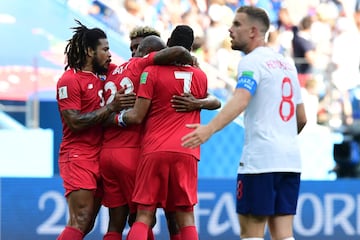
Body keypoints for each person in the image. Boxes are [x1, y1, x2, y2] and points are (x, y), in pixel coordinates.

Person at [181, 6, 307, 240]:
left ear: (253, 31)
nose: (230, 29)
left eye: (237, 24)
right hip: (290, 161)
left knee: (251, 234)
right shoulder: (287, 65)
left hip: (260, 161)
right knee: (284, 235)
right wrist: (281, 137)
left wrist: (209, 128)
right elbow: (302, 118)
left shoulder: (251, 62)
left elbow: (241, 97)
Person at [117, 25, 208, 240]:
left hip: (155, 148)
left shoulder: (150, 72)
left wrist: (114, 117)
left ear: (167, 44)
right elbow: (212, 101)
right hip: (187, 149)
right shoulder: (200, 76)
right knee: (185, 216)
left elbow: (138, 115)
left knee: (144, 215)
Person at [100, 35, 194, 240]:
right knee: (143, 218)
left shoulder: (113, 70)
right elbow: (137, 116)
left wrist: (110, 118)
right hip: (133, 152)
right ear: (153, 54)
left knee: (115, 223)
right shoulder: (146, 68)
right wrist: (190, 58)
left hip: (106, 154)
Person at [56, 20, 136, 240]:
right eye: (106, 49)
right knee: (80, 218)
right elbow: (74, 122)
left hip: (103, 155)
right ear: (90, 51)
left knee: (89, 222)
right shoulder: (69, 80)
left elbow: (135, 67)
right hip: (78, 154)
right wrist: (112, 107)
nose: (110, 55)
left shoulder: (106, 74)